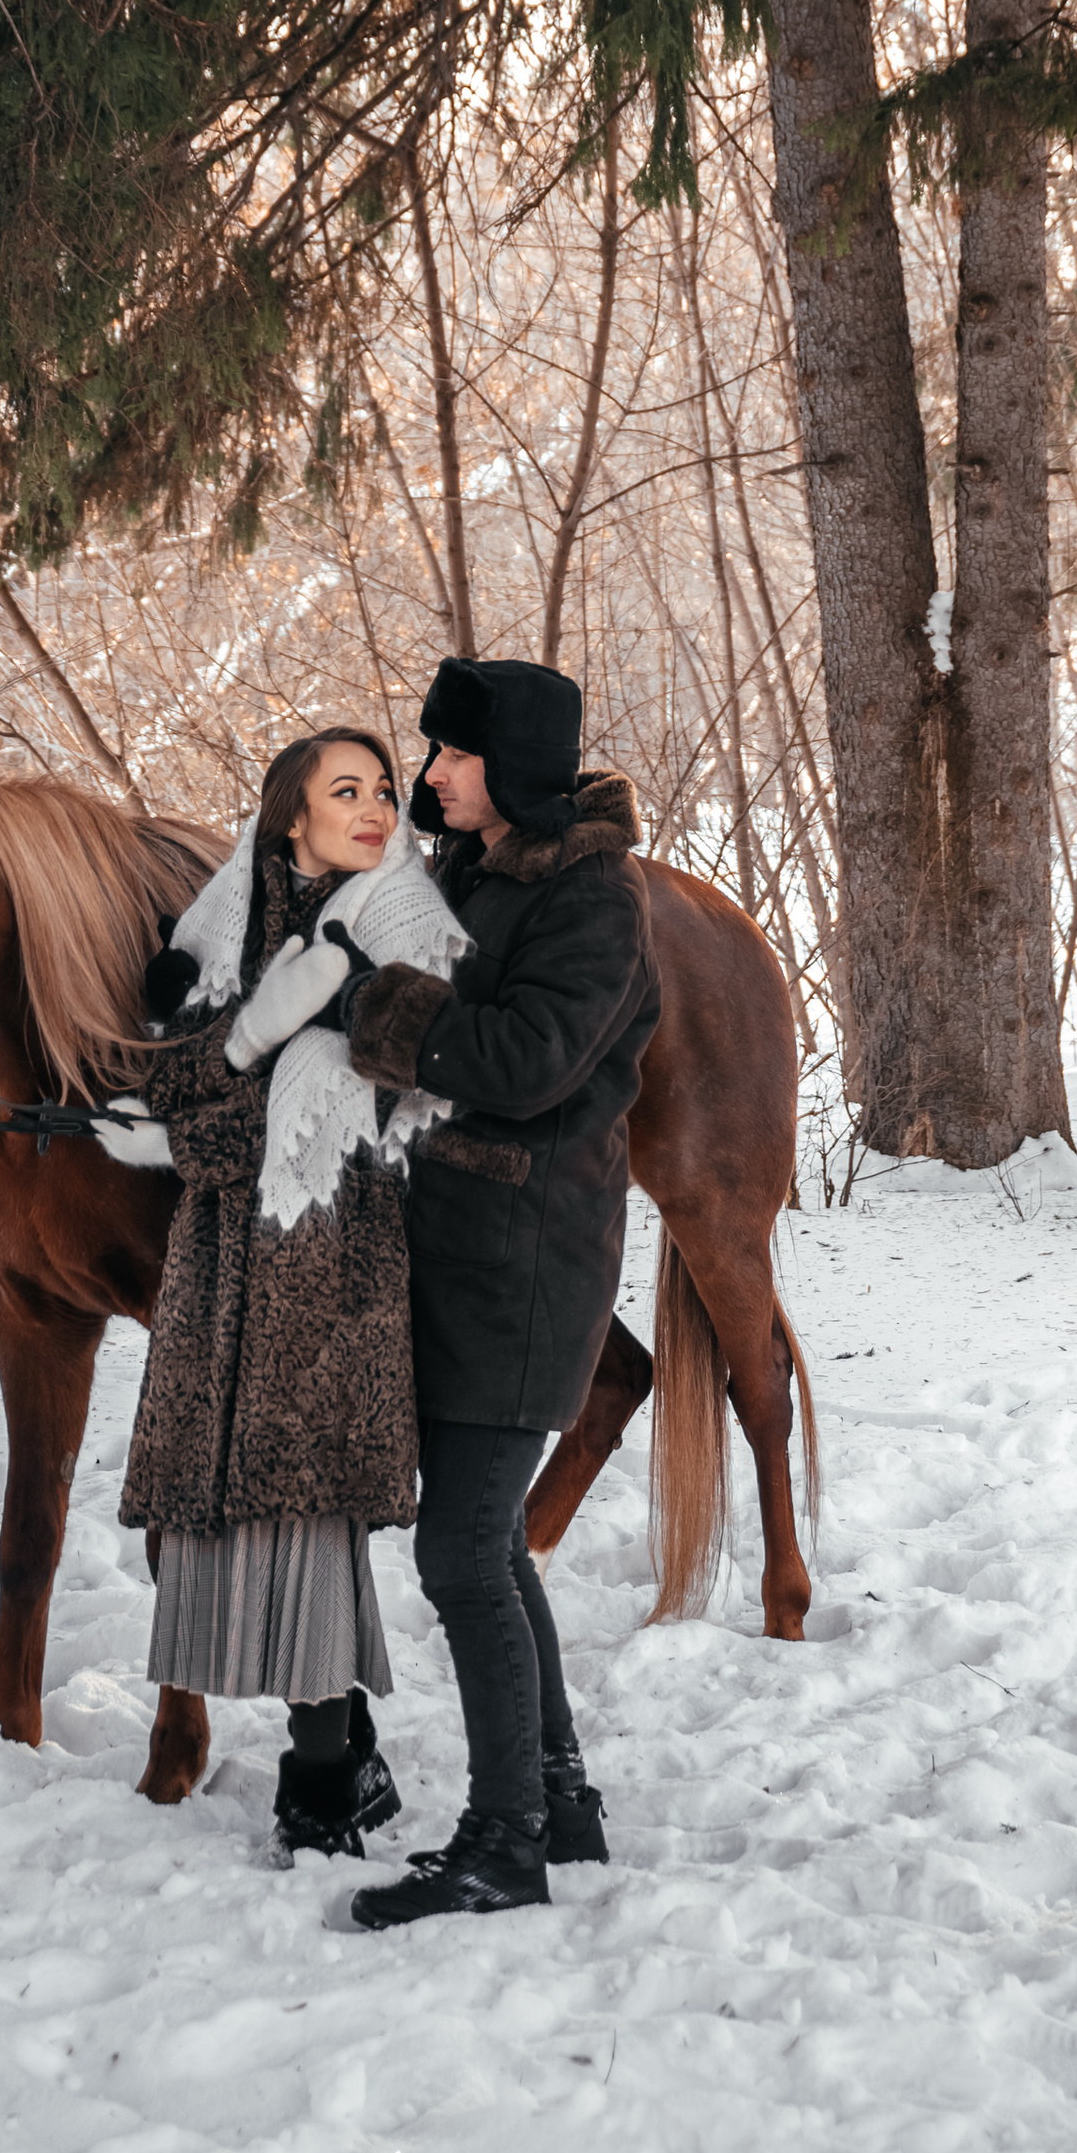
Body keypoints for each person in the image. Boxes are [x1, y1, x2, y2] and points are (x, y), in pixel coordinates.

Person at [95, 726, 470, 1862]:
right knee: (216, 1518)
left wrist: (182, 1136)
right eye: (343, 790)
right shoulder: (222, 927)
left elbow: (335, 1098)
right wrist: (252, 1031)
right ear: (289, 816)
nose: (374, 807)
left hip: (333, 1261)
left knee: (308, 1521)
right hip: (221, 1272)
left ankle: (321, 1788)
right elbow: (163, 1068)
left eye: (383, 789)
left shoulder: (407, 930)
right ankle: (350, 1759)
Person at [338, 655, 661, 1927]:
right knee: (489, 1547)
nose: (430, 776)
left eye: (455, 755)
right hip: (460, 1255)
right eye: (432, 752)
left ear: (514, 765)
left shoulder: (594, 898)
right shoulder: (476, 872)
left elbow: (528, 1062)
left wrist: (380, 1010)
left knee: (464, 1551)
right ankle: (559, 1802)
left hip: (527, 1266)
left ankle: (503, 1844)